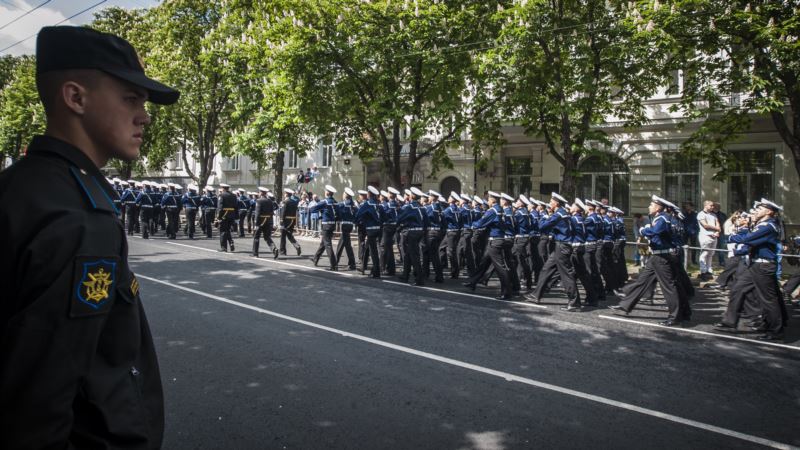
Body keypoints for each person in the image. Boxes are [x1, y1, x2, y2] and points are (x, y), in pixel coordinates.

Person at [0, 26, 179, 448]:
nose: (145, 116)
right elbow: (38, 404)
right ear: (75, 97)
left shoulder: (19, 187)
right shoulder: (79, 217)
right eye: (130, 99)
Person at [610, 195, 686, 326]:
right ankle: (626, 303)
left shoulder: (662, 218)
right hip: (657, 255)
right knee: (643, 280)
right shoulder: (662, 218)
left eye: (651, 205)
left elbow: (655, 231)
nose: (648, 207)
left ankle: (675, 316)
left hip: (662, 257)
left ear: (657, 208)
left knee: (669, 287)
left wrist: (643, 229)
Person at [397, 187, 428, 285]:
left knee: (414, 256)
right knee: (408, 254)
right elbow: (427, 221)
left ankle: (419, 279)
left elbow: (400, 218)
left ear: (412, 196)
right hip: (420, 232)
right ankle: (405, 275)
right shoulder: (422, 207)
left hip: (412, 232)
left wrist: (400, 224)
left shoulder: (410, 207)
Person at [355, 186, 383, 278]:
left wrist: (357, 222)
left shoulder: (367, 204)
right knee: (367, 247)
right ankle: (363, 267)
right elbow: (385, 217)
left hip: (371, 230)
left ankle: (376, 272)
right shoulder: (378, 204)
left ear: (369, 194)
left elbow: (358, 214)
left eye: (368, 193)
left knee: (373, 251)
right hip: (378, 229)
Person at [311, 185, 339, 270]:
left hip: (326, 225)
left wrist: (321, 211)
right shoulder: (335, 202)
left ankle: (334, 264)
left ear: (327, 192)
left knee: (327, 244)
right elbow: (338, 214)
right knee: (323, 243)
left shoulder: (324, 202)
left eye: (326, 191)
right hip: (332, 225)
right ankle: (316, 258)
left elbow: (312, 209)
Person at [251, 187, 278, 258]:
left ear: (261, 193)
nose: (259, 193)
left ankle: (255, 253)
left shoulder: (259, 201)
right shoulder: (270, 201)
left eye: (259, 192)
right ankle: (273, 248)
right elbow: (272, 212)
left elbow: (257, 213)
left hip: (260, 221)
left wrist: (256, 223)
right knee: (267, 237)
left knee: (256, 237)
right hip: (268, 221)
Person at [697, 200, 720, 280]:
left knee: (711, 254)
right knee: (704, 253)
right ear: (706, 205)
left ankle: (709, 269)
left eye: (713, 205)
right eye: (711, 205)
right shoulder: (701, 214)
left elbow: (717, 224)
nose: (712, 207)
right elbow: (705, 225)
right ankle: (703, 271)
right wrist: (716, 228)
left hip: (714, 236)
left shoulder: (714, 215)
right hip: (705, 236)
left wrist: (717, 231)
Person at [336, 187, 358, 270]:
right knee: (341, 244)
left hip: (345, 225)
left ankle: (352, 264)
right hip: (350, 225)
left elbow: (336, 210)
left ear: (345, 195)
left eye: (344, 193)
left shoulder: (343, 204)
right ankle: (336, 261)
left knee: (347, 245)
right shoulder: (353, 204)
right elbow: (357, 213)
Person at [279, 188, 302, 257]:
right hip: (292, 220)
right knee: (289, 235)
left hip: (285, 220)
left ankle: (282, 251)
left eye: (285, 193)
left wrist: (281, 220)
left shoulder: (285, 202)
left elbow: (283, 212)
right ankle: (297, 245)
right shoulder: (294, 202)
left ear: (286, 194)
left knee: (283, 236)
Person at [216, 183, 237, 251]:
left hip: (224, 215)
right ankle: (231, 242)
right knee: (227, 230)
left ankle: (224, 247)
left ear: (223, 188)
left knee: (223, 231)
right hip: (231, 215)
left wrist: (218, 217)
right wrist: (236, 217)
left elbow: (220, 207)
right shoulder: (234, 196)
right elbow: (236, 207)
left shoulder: (221, 195)